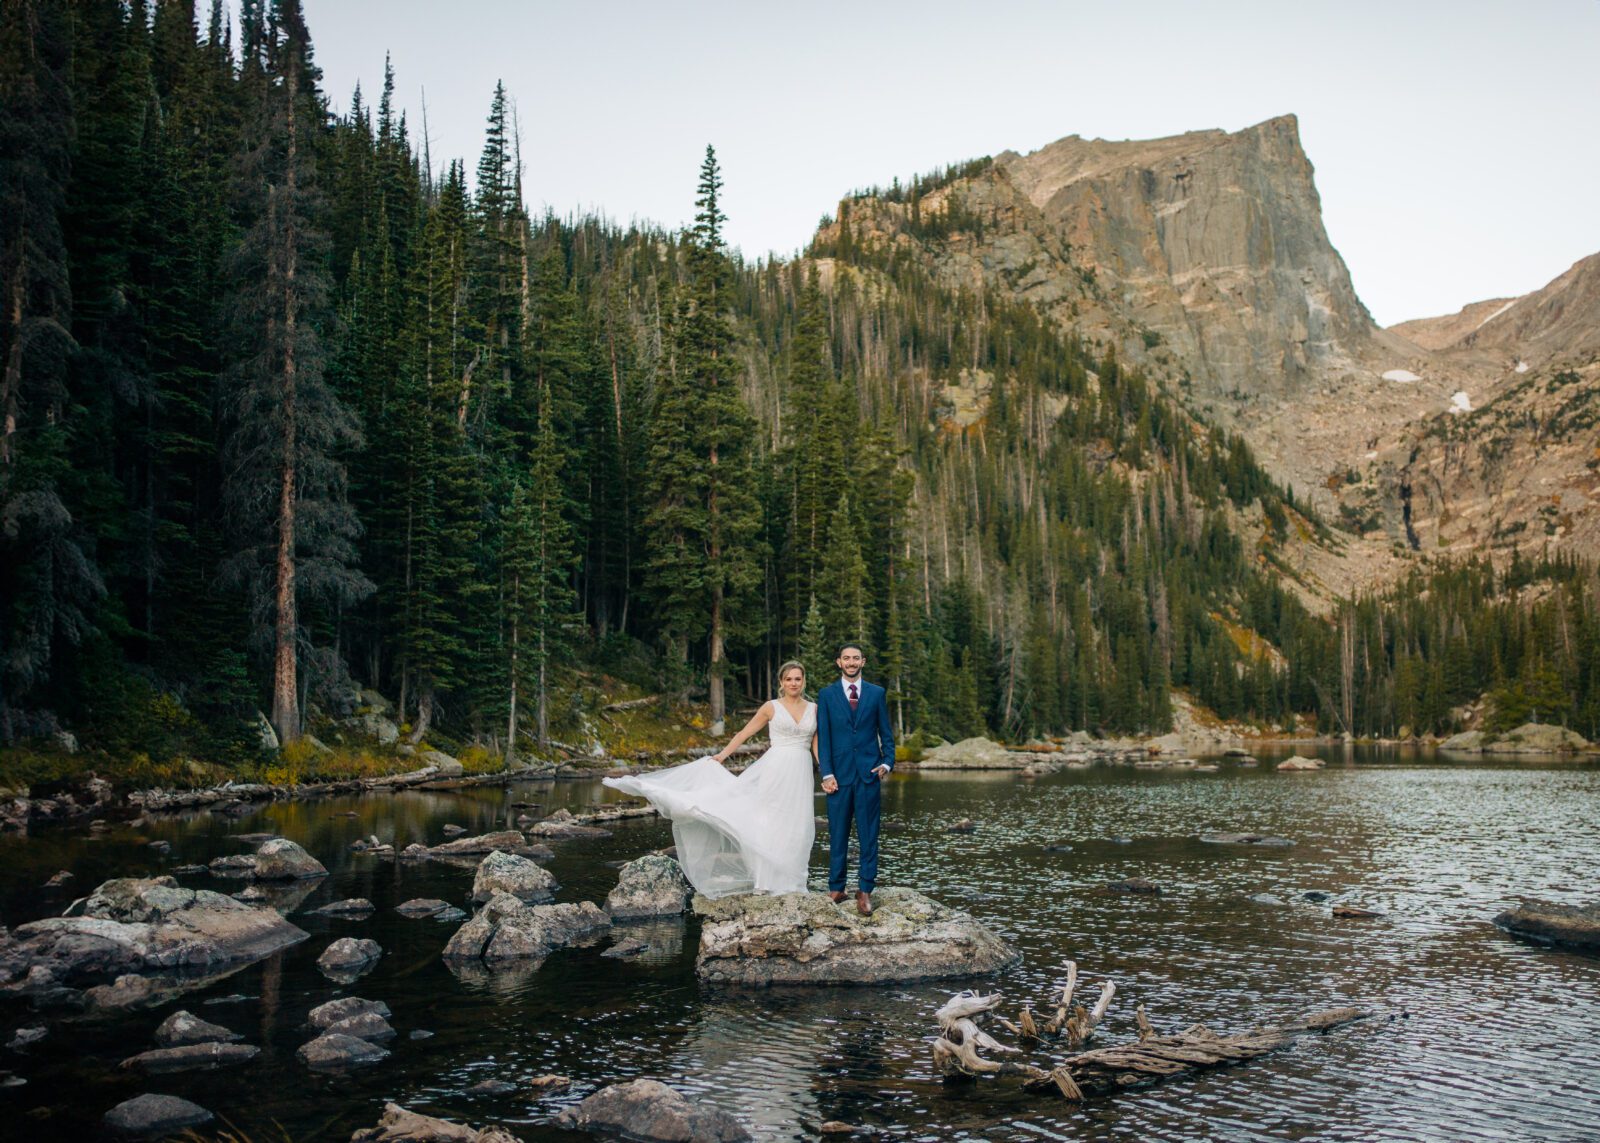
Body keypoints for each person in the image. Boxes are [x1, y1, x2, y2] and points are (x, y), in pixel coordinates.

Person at [602, 661, 817, 897]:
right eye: (789, 679)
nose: (793, 683)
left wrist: (827, 772)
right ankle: (765, 881)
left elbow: (817, 744)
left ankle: (794, 881)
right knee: (768, 821)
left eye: (797, 679)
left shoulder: (814, 709)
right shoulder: (771, 707)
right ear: (781, 683)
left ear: (803, 681)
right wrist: (723, 756)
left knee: (798, 824)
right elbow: (745, 733)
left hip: (801, 769)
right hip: (775, 768)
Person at [816, 642, 894, 915]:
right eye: (846, 658)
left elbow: (886, 732)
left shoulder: (876, 693)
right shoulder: (826, 695)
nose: (851, 662)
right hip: (838, 776)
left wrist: (887, 762)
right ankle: (837, 888)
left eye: (856, 658)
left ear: (863, 662)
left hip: (868, 775)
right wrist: (826, 773)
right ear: (839, 662)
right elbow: (823, 738)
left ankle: (865, 890)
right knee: (837, 833)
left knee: (868, 834)